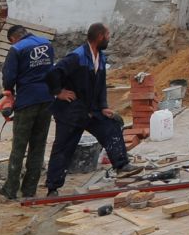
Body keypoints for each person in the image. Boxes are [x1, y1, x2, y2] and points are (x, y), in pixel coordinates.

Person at [42, 23, 131, 196]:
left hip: (91, 110)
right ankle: (53, 186)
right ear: (100, 37)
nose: (109, 38)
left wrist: (104, 107)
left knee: (111, 126)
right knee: (63, 148)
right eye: (108, 35)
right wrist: (58, 92)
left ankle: (121, 164)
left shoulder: (101, 58)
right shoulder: (77, 57)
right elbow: (52, 74)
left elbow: (101, 85)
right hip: (71, 111)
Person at [0, 24, 56, 200]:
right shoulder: (46, 44)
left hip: (27, 101)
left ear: (13, 38)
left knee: (19, 146)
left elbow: (9, 78)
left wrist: (9, 92)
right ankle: (29, 189)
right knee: (38, 146)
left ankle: (11, 188)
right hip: (47, 99)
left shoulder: (16, 49)